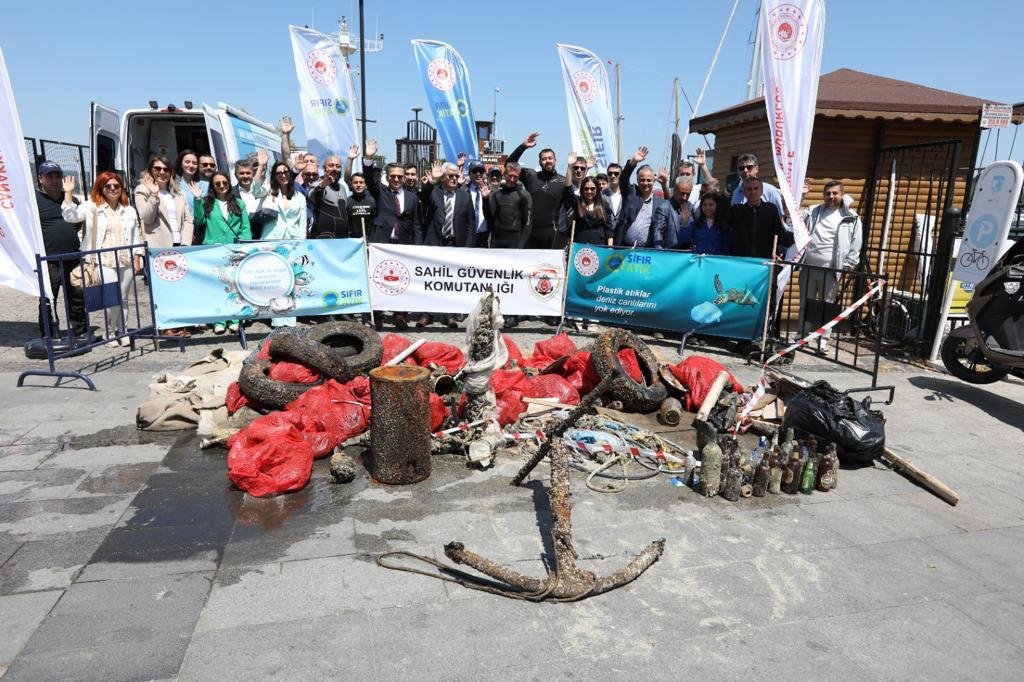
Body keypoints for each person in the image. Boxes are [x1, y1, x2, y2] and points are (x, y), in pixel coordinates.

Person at [61, 172, 142, 346]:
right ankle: (109, 332)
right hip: (101, 259)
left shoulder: (128, 209)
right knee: (112, 296)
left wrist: (137, 256)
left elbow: (136, 236)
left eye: (116, 186)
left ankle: (123, 330)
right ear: (101, 188)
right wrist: (68, 193)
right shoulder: (91, 206)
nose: (113, 189)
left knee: (124, 297)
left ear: (121, 188)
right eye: (108, 186)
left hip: (125, 258)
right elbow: (70, 217)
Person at [361, 139, 420, 328]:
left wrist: (418, 248)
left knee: (402, 280)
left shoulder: (412, 198)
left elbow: (416, 224)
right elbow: (369, 179)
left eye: (399, 177)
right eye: (392, 176)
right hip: (382, 243)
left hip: (403, 244)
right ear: (387, 176)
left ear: (405, 178)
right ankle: (377, 314)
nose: (396, 179)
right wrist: (368, 158)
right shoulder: (381, 192)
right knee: (379, 279)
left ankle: (400, 314)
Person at [799, 180, 863, 351]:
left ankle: (823, 340)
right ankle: (802, 336)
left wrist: (849, 264)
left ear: (842, 194)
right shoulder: (813, 211)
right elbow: (793, 218)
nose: (831, 197)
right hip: (809, 266)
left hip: (832, 270)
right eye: (828, 193)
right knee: (806, 303)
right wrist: (802, 195)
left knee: (827, 306)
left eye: (835, 193)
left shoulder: (851, 217)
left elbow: (856, 243)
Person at [135, 155, 194, 337]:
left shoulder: (178, 192)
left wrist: (185, 242)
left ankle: (180, 323)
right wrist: (153, 195)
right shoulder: (142, 190)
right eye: (157, 169)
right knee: (162, 290)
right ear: (151, 171)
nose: (162, 172)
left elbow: (188, 218)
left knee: (179, 288)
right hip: (158, 248)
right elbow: (146, 217)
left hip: (179, 245)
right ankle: (165, 326)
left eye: (165, 169)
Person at [188, 171, 252, 334]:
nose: (222, 186)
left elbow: (245, 227)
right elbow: (199, 220)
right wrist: (197, 199)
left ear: (229, 184)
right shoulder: (207, 203)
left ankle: (235, 318)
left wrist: (244, 247)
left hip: (234, 249)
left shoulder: (239, 203)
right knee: (218, 286)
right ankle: (219, 320)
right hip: (214, 250)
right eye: (217, 183)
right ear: (213, 186)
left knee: (235, 286)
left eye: (224, 182)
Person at [416, 161, 479, 327]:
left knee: (450, 281)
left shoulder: (465, 196)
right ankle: (426, 314)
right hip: (434, 242)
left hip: (454, 243)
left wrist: (468, 248)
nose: (454, 178)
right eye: (450, 175)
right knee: (430, 280)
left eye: (456, 176)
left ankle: (448, 315)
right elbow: (422, 196)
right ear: (443, 177)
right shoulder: (433, 192)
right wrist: (432, 181)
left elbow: (471, 223)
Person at [34, 161, 87, 342]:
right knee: (49, 299)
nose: (55, 180)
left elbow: (78, 223)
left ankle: (80, 330)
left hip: (73, 256)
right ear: (41, 179)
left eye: (57, 176)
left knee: (77, 297)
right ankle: (48, 335)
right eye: (50, 176)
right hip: (49, 260)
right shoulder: (34, 200)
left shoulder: (72, 199)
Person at [259, 162, 308, 328]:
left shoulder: (300, 197)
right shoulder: (269, 191)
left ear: (290, 174)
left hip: (292, 242)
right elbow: (255, 190)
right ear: (274, 175)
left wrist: (301, 244)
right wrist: (261, 166)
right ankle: (276, 318)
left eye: (286, 172)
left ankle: (290, 316)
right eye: (278, 172)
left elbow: (302, 223)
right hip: (272, 240)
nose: (283, 175)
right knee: (276, 279)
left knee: (291, 279)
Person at [486, 162, 532, 327]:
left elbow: (528, 223)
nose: (512, 179)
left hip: (515, 241)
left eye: (515, 176)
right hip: (498, 241)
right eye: (509, 175)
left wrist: (520, 247)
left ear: (518, 176)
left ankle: (513, 314)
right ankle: (496, 312)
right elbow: (490, 218)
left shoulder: (524, 195)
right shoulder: (497, 194)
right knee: (497, 280)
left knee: (513, 281)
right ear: (505, 175)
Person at [507, 132, 565, 249]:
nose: (547, 161)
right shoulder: (531, 176)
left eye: (550, 158)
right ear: (539, 162)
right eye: (544, 159)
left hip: (552, 234)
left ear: (555, 160)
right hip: (530, 233)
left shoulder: (563, 181)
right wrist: (523, 146)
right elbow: (509, 164)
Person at [614, 146, 666, 247]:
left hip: (647, 251)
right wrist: (633, 162)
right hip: (625, 248)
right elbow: (623, 179)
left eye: (649, 180)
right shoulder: (630, 193)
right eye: (642, 180)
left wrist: (665, 185)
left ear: (654, 180)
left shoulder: (659, 202)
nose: (645, 183)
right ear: (637, 180)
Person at [730, 177, 793, 258]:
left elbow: (778, 233)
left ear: (761, 191)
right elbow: (723, 224)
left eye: (756, 188)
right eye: (749, 189)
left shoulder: (770, 209)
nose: (753, 192)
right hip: (743, 260)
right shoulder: (737, 211)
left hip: (764, 260)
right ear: (744, 192)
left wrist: (795, 238)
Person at [307, 155, 351, 238]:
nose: (334, 169)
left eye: (338, 166)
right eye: (331, 165)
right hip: (323, 241)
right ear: (324, 168)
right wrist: (323, 185)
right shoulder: (318, 184)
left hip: (343, 240)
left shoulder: (342, 188)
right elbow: (312, 196)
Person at [563, 176, 613, 245]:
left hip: (599, 246)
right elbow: (568, 190)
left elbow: (609, 230)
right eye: (586, 189)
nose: (589, 191)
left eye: (592, 189)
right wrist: (569, 167)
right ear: (582, 190)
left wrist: (609, 249)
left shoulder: (604, 205)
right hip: (579, 245)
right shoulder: (577, 203)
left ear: (597, 189)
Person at [652, 177, 695, 250]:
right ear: (675, 190)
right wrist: (659, 252)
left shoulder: (690, 207)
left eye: (688, 194)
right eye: (682, 193)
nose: (684, 197)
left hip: (686, 256)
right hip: (669, 255)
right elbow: (657, 233)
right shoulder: (664, 208)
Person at [232, 150, 269, 233]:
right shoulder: (230, 193)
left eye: (262, 164)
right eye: (256, 165)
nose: (260, 167)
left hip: (262, 237)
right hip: (238, 237)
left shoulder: (266, 189)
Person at [465, 160, 491, 246]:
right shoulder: (463, 191)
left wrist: (486, 199)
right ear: (469, 174)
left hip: (484, 237)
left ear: (485, 174)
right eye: (475, 171)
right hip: (467, 236)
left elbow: (491, 214)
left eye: (481, 171)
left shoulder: (492, 191)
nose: (478, 174)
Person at [346, 172, 376, 239]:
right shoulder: (347, 202)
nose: (358, 185)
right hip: (352, 241)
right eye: (355, 182)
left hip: (371, 241)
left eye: (361, 182)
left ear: (365, 185)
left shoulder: (373, 202)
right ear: (351, 185)